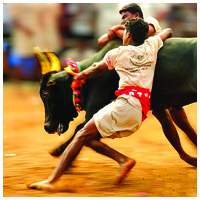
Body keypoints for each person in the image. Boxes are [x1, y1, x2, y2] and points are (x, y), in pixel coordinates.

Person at [27, 18, 173, 190]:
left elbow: (97, 67)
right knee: (88, 137)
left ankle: (51, 181)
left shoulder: (117, 53)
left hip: (124, 106)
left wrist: (82, 75)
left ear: (128, 35)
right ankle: (123, 161)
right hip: (140, 111)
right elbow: (168, 31)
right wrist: (153, 36)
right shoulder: (152, 46)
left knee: (81, 135)